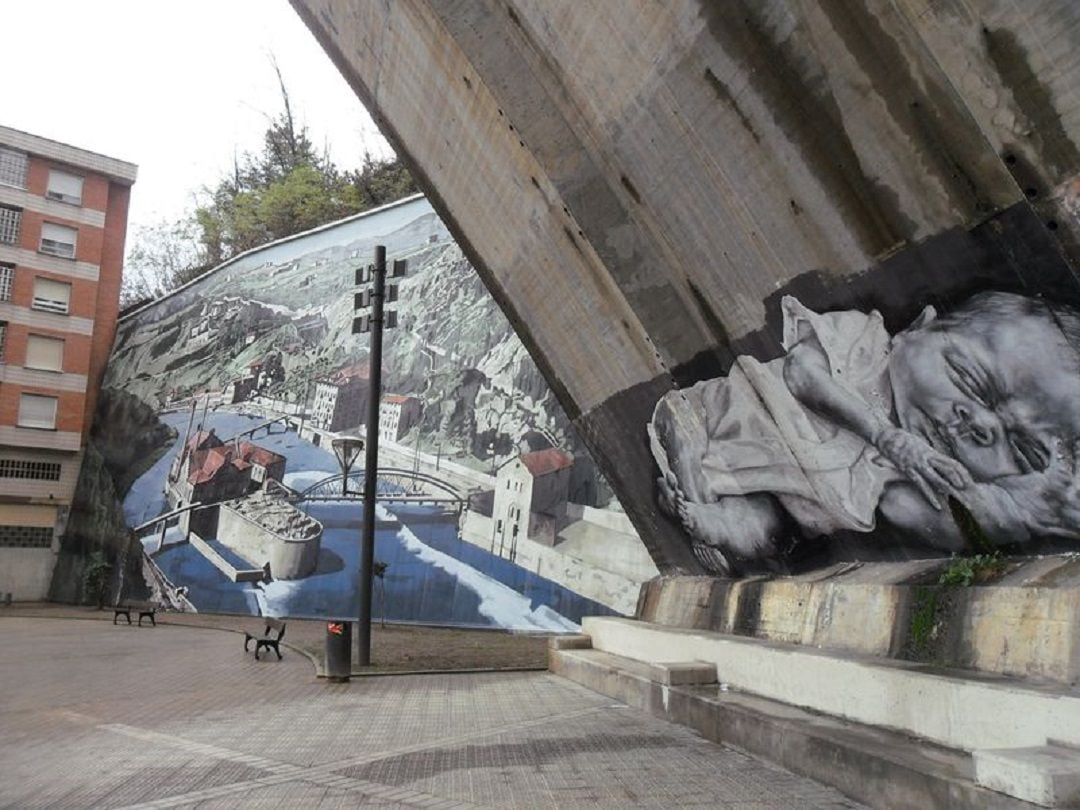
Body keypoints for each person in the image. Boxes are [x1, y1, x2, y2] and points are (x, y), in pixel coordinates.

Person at [650, 292, 1080, 573]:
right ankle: (687, 435)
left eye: (1019, 449)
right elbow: (803, 374)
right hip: (751, 414)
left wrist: (1017, 509)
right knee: (705, 419)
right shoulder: (862, 341)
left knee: (765, 527)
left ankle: (713, 517)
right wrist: (881, 434)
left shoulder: (914, 476)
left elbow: (914, 516)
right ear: (917, 327)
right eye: (968, 376)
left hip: (786, 490)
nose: (980, 424)